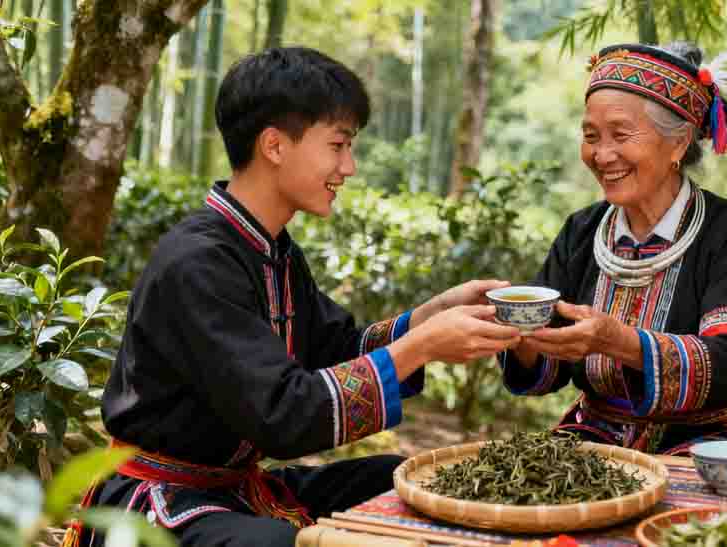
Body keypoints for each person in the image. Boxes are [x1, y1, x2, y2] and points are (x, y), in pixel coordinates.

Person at [64, 47, 522, 547]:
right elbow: (284, 415)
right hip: (161, 500)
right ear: (275, 146)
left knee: (402, 476)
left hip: (235, 489)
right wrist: (424, 346)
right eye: (338, 145)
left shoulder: (272, 251)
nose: (348, 166)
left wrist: (430, 317)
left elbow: (334, 351)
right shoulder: (197, 263)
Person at [499, 42, 727, 456]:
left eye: (621, 134)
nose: (601, 154)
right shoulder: (582, 231)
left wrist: (620, 341)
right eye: (590, 136)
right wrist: (519, 332)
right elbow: (548, 366)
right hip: (598, 438)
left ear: (679, 142)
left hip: (709, 446)